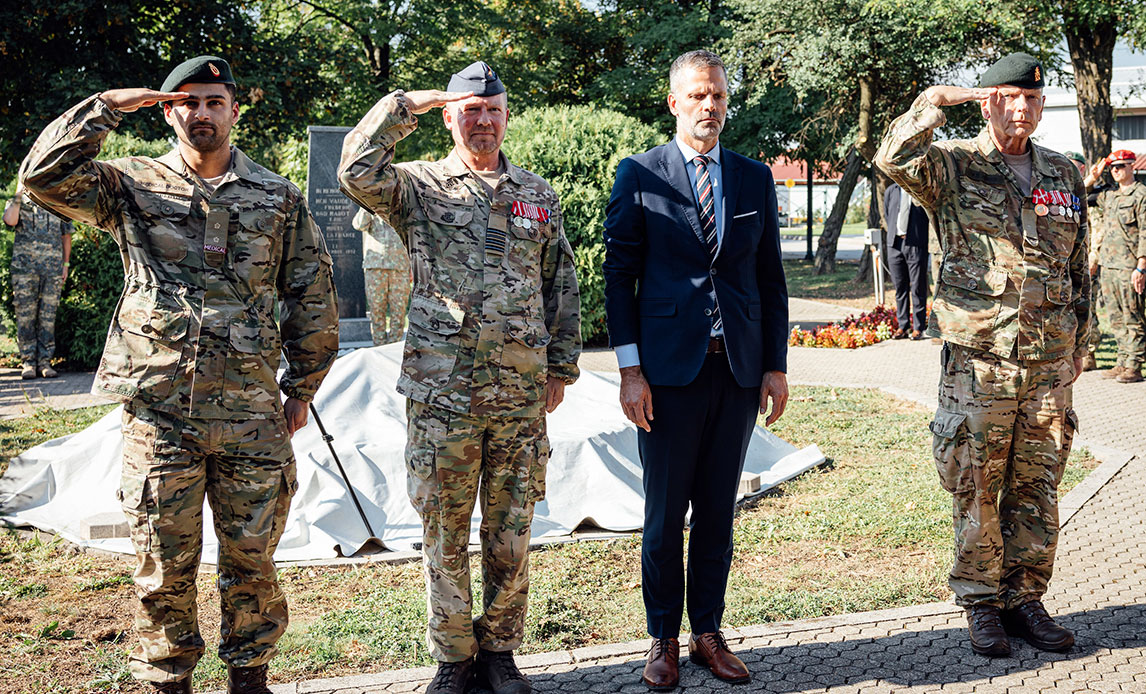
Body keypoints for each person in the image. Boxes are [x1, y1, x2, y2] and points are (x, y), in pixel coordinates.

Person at [19, 56, 339, 694]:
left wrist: (301, 388)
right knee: (162, 563)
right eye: (187, 102)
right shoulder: (131, 186)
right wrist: (106, 105)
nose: (202, 113)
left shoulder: (275, 196)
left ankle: (250, 677)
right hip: (160, 411)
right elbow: (41, 178)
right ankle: (169, 680)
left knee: (253, 559)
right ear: (168, 110)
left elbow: (311, 292)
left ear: (233, 110)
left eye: (214, 101)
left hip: (252, 411)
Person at [338, 61, 581, 694]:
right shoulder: (418, 187)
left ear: (506, 116)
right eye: (469, 109)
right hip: (442, 392)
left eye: (493, 109)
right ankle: (452, 656)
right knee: (443, 528)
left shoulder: (537, 193)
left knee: (511, 529)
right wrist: (402, 105)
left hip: (520, 393)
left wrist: (561, 367)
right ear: (449, 117)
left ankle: (499, 650)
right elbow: (353, 170)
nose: (482, 120)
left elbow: (560, 281)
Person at [876, 52, 1088, 658]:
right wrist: (935, 103)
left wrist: (1081, 342)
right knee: (976, 480)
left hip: (1049, 362)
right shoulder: (955, 166)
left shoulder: (1062, 172)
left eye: (1033, 98)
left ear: (1042, 104)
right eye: (1009, 97)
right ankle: (981, 601)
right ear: (989, 100)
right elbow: (893, 158)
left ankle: (1025, 598)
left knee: (1037, 482)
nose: (1022, 108)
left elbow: (1077, 265)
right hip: (980, 359)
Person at [602, 50, 789, 690]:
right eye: (698, 96)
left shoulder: (751, 177)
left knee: (717, 510)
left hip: (734, 372)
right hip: (666, 378)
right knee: (664, 514)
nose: (710, 106)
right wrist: (630, 371)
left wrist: (774, 366)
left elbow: (769, 277)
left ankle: (708, 631)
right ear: (676, 102)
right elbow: (619, 277)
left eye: (718, 96)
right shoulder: (638, 174)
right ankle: (663, 639)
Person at [1087, 150, 1146, 382]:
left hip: (1130, 265)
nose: (1116, 171)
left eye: (1120, 166)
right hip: (1108, 265)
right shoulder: (1108, 195)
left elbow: (1145, 232)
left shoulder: (1141, 194)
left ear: (1132, 166)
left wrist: (1141, 266)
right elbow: (1079, 195)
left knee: (1133, 316)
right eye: (1112, 167)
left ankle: (1134, 365)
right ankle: (1121, 362)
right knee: (1115, 317)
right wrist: (1093, 177)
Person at [2, 188, 72, 379]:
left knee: (48, 317)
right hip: (24, 271)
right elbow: (10, 220)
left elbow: (66, 235)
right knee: (25, 316)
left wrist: (66, 264)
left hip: (53, 270)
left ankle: (45, 363)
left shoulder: (56, 201)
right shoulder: (17, 202)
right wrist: (18, 194)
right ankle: (28, 363)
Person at [352, 207, 411, 344]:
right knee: (377, 312)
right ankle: (378, 348)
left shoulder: (402, 204)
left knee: (399, 313)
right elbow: (359, 225)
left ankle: (393, 350)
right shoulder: (371, 206)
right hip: (375, 267)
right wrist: (366, 206)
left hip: (399, 266)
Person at [882, 182, 930, 339]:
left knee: (917, 287)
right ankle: (902, 326)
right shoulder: (891, 190)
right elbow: (887, 214)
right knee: (899, 288)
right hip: (895, 244)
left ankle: (918, 327)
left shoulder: (919, 190)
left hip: (915, 243)